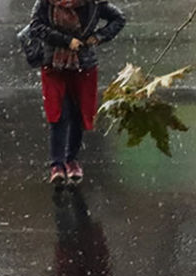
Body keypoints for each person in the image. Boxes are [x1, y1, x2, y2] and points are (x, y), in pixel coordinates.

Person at [28, 0, 125, 187]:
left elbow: (118, 19)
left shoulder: (94, 4)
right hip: (53, 65)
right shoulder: (46, 3)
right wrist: (65, 41)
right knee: (58, 113)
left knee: (78, 113)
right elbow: (36, 26)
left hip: (83, 65)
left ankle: (71, 159)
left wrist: (98, 36)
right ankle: (56, 164)